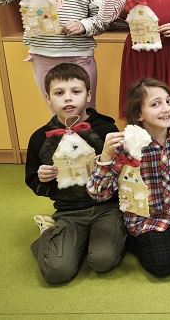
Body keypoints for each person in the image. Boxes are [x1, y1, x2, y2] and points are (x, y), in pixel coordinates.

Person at [88, 78, 170, 277]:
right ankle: (134, 240)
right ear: (139, 114)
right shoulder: (127, 145)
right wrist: (105, 157)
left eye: (168, 101)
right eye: (155, 104)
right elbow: (99, 194)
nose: (166, 108)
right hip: (146, 217)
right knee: (163, 266)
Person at [25, 63, 124, 284]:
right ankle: (47, 233)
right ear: (48, 98)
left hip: (107, 207)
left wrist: (108, 162)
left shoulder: (106, 130)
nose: (68, 98)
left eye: (76, 92)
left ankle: (88, 240)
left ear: (88, 95)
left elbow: (125, 173)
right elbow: (33, 181)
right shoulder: (40, 138)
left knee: (103, 260)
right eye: (59, 93)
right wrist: (43, 179)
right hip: (69, 211)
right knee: (56, 272)